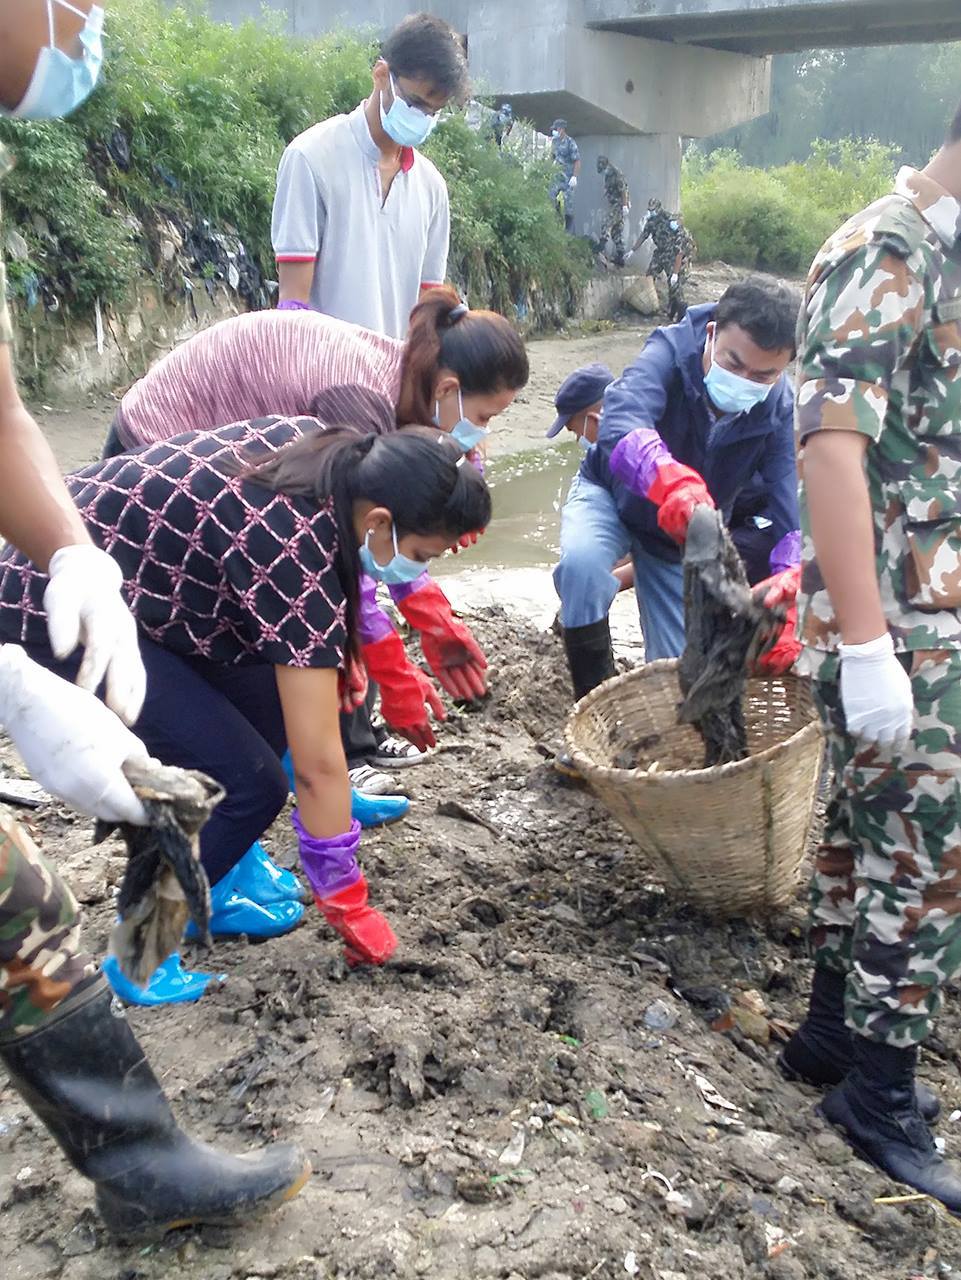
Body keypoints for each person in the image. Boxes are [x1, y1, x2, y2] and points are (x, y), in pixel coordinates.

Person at [0, 0, 310, 1237]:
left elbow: (1, 407)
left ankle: (138, 1163)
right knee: (241, 770)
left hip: (68, 579)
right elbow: (310, 724)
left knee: (20, 902)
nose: (88, 24)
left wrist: (72, 552)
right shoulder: (301, 521)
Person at [0, 420, 491, 997]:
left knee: (269, 717)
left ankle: (217, 884)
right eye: (419, 554)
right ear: (380, 521)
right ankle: (138, 952)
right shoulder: (291, 547)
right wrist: (342, 893)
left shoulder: (333, 454)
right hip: (54, 597)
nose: (416, 569)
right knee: (249, 784)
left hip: (153, 588)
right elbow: (318, 767)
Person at [100, 288, 528, 816]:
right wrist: (392, 671)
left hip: (239, 465)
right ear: (450, 388)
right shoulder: (362, 401)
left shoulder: (406, 382)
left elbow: (368, 543)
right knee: (231, 666)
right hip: (161, 455)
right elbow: (343, 558)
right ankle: (267, 808)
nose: (481, 435)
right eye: (483, 417)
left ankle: (321, 783)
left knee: (297, 652)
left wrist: (432, 622)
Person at [767, 103, 961, 1209]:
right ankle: (881, 1093)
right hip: (904, 625)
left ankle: (834, 1037)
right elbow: (830, 448)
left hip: (917, 614)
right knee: (926, 861)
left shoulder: (932, 253)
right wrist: (873, 647)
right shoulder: (891, 247)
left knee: (861, 834)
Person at [553, 276, 801, 705]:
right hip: (610, 496)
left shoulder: (778, 407)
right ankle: (592, 708)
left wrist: (791, 592)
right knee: (583, 567)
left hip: (685, 535)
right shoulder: (668, 352)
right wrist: (668, 478)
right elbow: (622, 419)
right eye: (734, 363)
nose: (745, 380)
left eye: (764, 374)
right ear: (711, 335)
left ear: (785, 369)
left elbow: (788, 503)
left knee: (680, 681)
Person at [271, 12, 467, 338]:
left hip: (393, 381)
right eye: (414, 103)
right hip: (325, 379)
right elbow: (293, 310)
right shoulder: (311, 158)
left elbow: (425, 311)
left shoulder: (432, 189)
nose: (421, 118)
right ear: (381, 74)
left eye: (432, 112)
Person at [627, 200, 696, 320]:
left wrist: (675, 273)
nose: (651, 212)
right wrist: (633, 250)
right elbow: (644, 235)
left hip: (673, 254)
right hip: (660, 252)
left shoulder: (672, 222)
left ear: (659, 208)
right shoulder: (651, 222)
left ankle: (681, 314)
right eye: (650, 210)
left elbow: (680, 252)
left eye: (653, 210)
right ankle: (649, 303)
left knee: (674, 285)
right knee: (649, 276)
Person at [596, 156, 630, 268]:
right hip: (615, 204)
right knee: (616, 232)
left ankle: (600, 247)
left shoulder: (616, 174)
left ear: (607, 165)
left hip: (619, 205)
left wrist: (624, 206)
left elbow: (623, 190)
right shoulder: (608, 174)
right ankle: (620, 256)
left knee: (606, 223)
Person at [550, 118, 580, 234]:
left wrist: (574, 176)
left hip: (568, 177)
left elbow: (577, 161)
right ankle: (555, 220)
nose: (554, 132)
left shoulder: (570, 143)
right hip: (557, 175)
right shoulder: (555, 141)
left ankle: (568, 231)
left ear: (561, 129)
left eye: (556, 129)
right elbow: (552, 156)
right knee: (551, 197)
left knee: (569, 205)